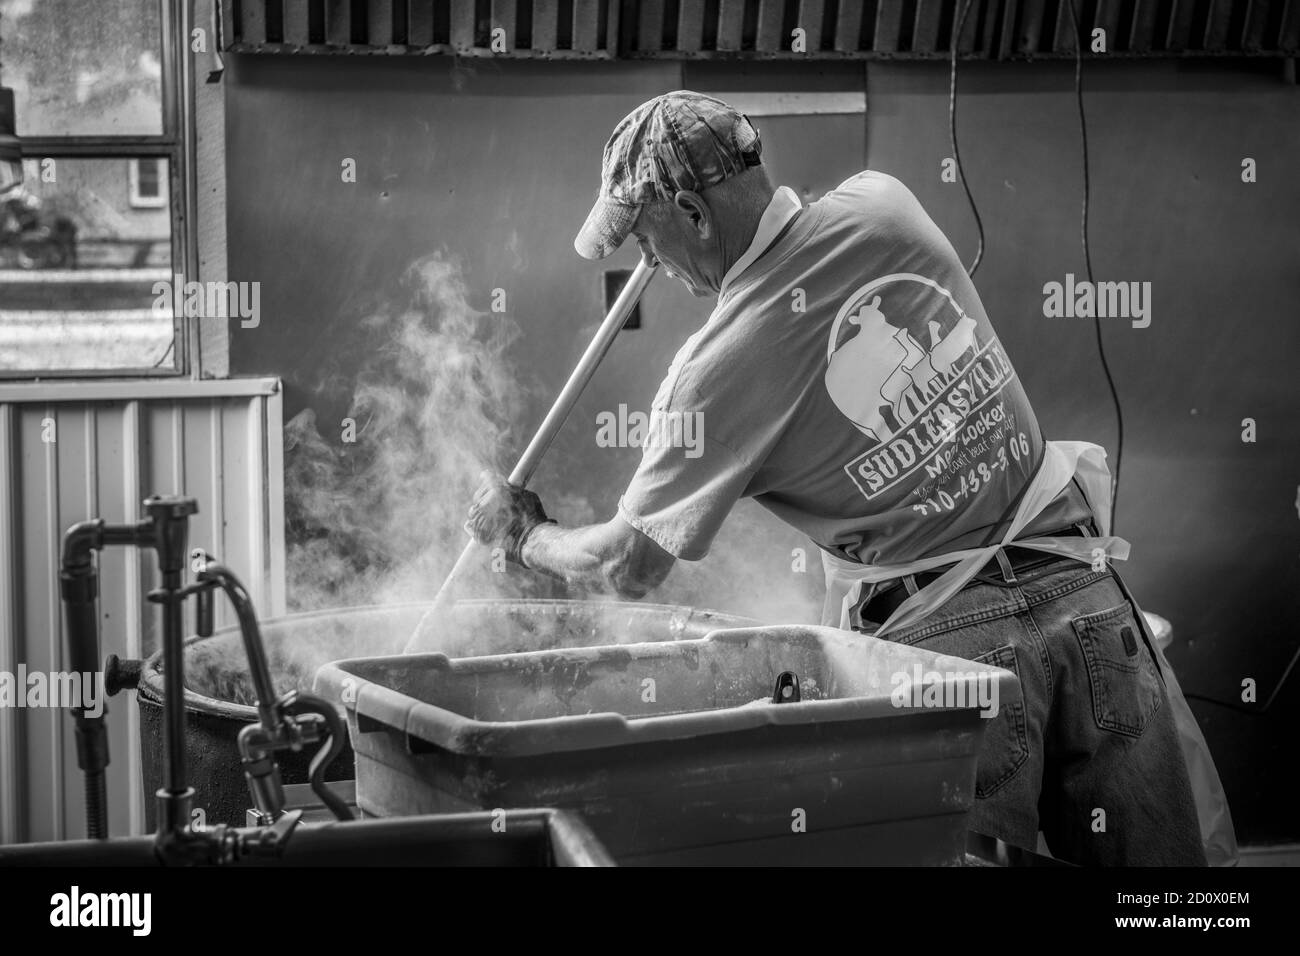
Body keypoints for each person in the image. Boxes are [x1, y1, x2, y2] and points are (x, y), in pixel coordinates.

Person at [466, 90, 1207, 866]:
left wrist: (528, 535)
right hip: (1085, 595)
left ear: (691, 211)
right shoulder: (886, 201)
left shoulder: (716, 373)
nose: (649, 265)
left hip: (954, 655)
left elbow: (624, 567)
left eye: (644, 240)